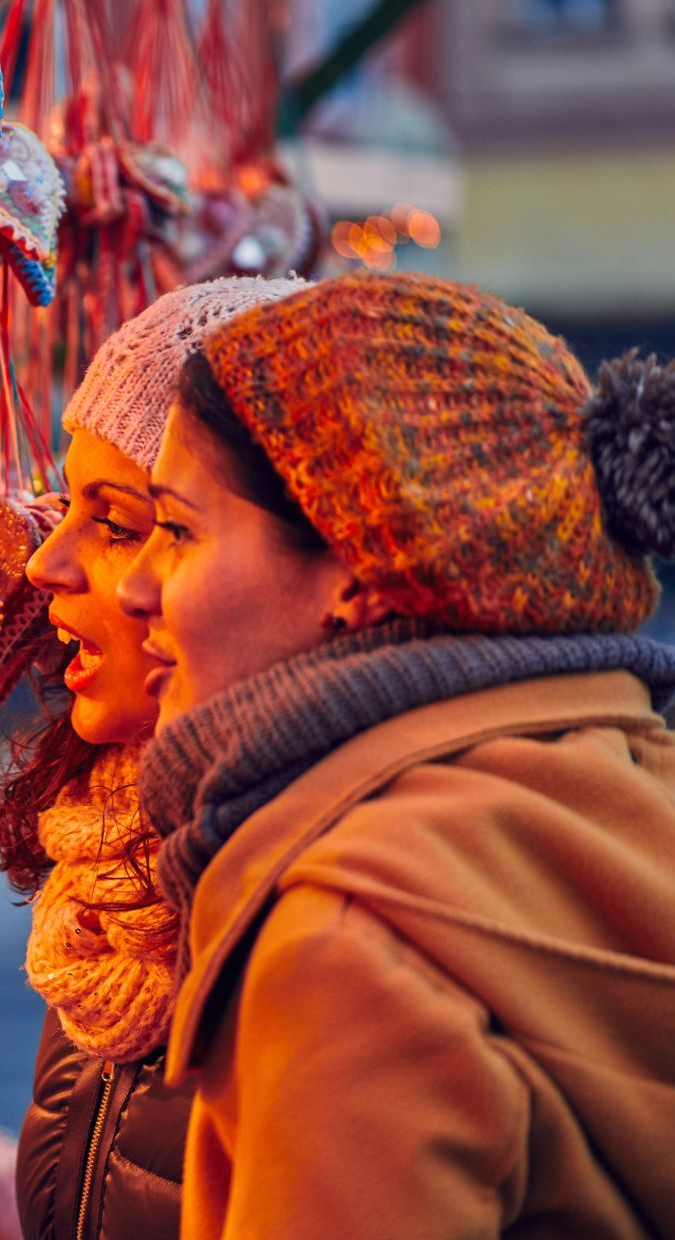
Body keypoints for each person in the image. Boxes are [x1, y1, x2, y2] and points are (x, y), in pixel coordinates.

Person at [114, 270, 675, 1237]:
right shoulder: (621, 784)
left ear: (362, 572)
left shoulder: (348, 947)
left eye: (173, 530)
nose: (134, 587)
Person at [0, 277, 305, 1239]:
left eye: (122, 524)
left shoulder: (306, 910)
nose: (48, 564)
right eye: (67, 508)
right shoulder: (104, 890)